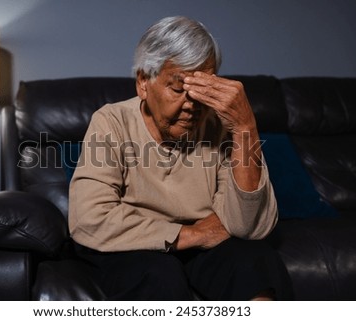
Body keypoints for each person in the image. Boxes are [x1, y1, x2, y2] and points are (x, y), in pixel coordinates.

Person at [68, 16, 292, 300]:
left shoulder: (223, 125)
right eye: (178, 89)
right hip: (135, 243)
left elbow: (251, 226)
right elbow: (88, 219)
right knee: (157, 273)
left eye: (202, 90)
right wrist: (189, 234)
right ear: (143, 82)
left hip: (205, 249)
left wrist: (245, 127)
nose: (191, 105)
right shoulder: (111, 121)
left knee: (256, 261)